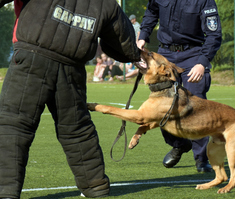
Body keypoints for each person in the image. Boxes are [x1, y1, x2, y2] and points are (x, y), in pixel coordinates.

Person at [0, 0, 140, 198]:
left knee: (13, 126)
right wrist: (134, 55)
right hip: (71, 67)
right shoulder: (105, 3)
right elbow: (124, 45)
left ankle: (5, 191)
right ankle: (95, 186)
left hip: (32, 57)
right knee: (76, 129)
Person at [137, 0, 222, 172]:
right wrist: (143, 36)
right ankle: (179, 144)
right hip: (165, 55)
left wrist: (202, 63)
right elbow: (152, 13)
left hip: (193, 55)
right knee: (161, 105)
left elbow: (214, 35)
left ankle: (201, 158)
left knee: (196, 106)